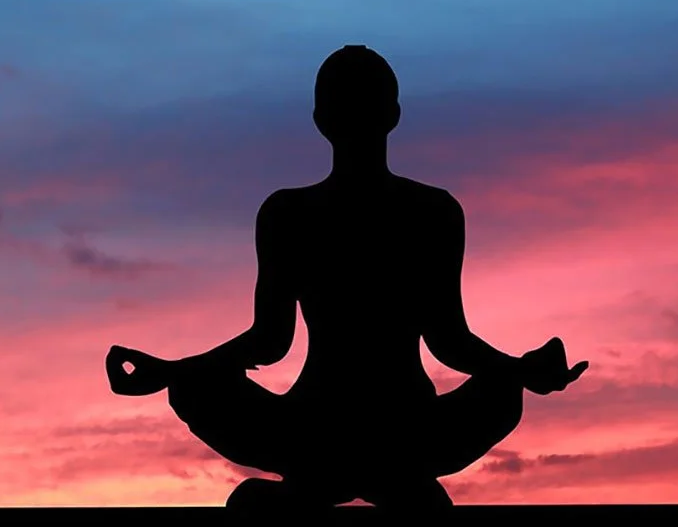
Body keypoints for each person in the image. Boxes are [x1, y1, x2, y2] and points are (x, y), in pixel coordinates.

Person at [106, 45, 589, 510]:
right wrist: (521, 370)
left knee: (197, 385)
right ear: (394, 114)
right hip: (391, 429)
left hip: (329, 429)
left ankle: (321, 486)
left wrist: (172, 371)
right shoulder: (429, 212)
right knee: (502, 389)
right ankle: (383, 481)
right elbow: (450, 342)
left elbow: (270, 341)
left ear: (321, 121)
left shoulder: (292, 214)